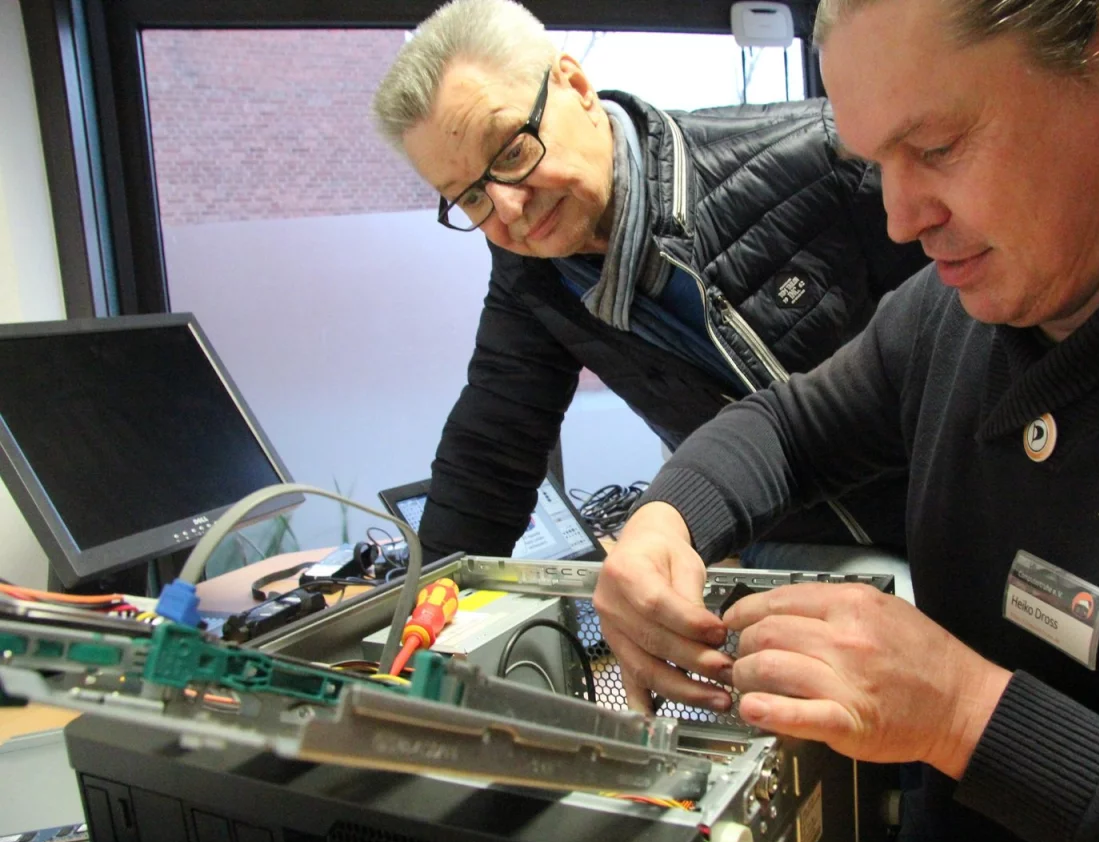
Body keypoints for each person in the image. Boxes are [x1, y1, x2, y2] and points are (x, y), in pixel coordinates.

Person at [593, 0, 1099, 842]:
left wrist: (965, 715)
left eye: (937, 147)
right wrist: (664, 523)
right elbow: (789, 426)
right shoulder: (953, 317)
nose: (900, 219)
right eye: (877, 162)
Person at [369, 0, 927, 564]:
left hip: (940, 523)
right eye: (471, 197)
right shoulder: (534, 276)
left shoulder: (827, 158)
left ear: (576, 86)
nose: (508, 209)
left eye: (513, 151)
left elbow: (970, 344)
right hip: (789, 545)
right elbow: (490, 453)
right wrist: (429, 598)